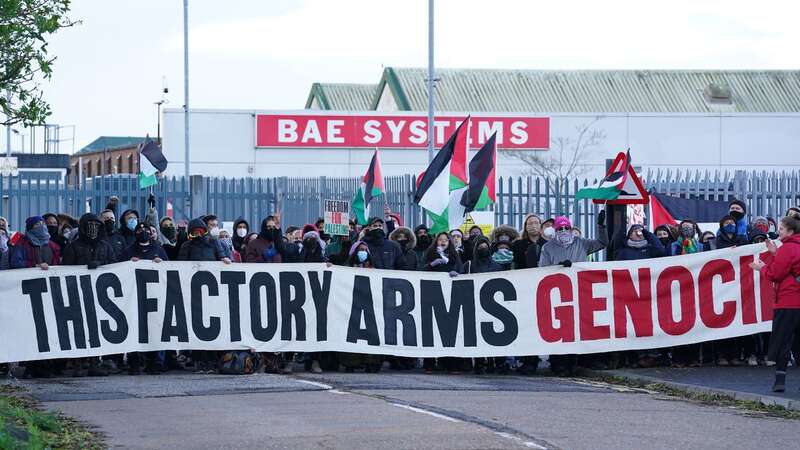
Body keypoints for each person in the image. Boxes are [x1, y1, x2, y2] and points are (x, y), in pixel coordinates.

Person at [539, 212, 608, 376]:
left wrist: (601, 227)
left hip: (580, 291)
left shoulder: (581, 243)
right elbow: (542, 268)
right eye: (560, 228)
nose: (563, 231)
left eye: (566, 228)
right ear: (555, 231)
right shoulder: (548, 247)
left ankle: (577, 361)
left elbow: (602, 243)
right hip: (558, 293)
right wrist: (558, 268)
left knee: (579, 327)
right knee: (560, 328)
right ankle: (558, 362)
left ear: (571, 229)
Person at [61, 213, 117, 377]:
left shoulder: (105, 246)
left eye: (96, 225)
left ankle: (94, 363)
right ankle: (78, 364)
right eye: (90, 224)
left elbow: (114, 264)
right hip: (78, 293)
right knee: (79, 328)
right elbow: (66, 269)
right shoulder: (73, 246)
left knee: (96, 328)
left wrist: (100, 264)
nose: (93, 228)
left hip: (99, 294)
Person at [749, 216, 800, 392]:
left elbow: (776, 274)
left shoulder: (788, 248)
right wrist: (775, 253)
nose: (779, 232)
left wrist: (761, 267)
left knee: (783, 341)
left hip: (787, 301)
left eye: (782, 229)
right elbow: (792, 266)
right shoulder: (794, 248)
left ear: (790, 231)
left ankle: (780, 380)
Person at [120, 223, 167, 374]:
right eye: (140, 230)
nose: (143, 232)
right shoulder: (128, 251)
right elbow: (118, 268)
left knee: (154, 327)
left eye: (145, 230)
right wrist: (128, 264)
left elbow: (170, 270)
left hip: (154, 296)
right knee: (135, 328)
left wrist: (162, 264)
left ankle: (154, 361)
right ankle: (134, 362)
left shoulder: (159, 250)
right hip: (134, 297)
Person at [422, 231, 464, 373]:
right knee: (431, 330)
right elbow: (420, 270)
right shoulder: (430, 254)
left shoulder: (454, 255)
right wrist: (432, 265)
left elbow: (460, 269)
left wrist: (456, 273)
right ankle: (429, 363)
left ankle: (449, 363)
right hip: (432, 296)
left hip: (450, 297)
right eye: (440, 239)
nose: (443, 242)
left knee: (449, 331)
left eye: (446, 239)